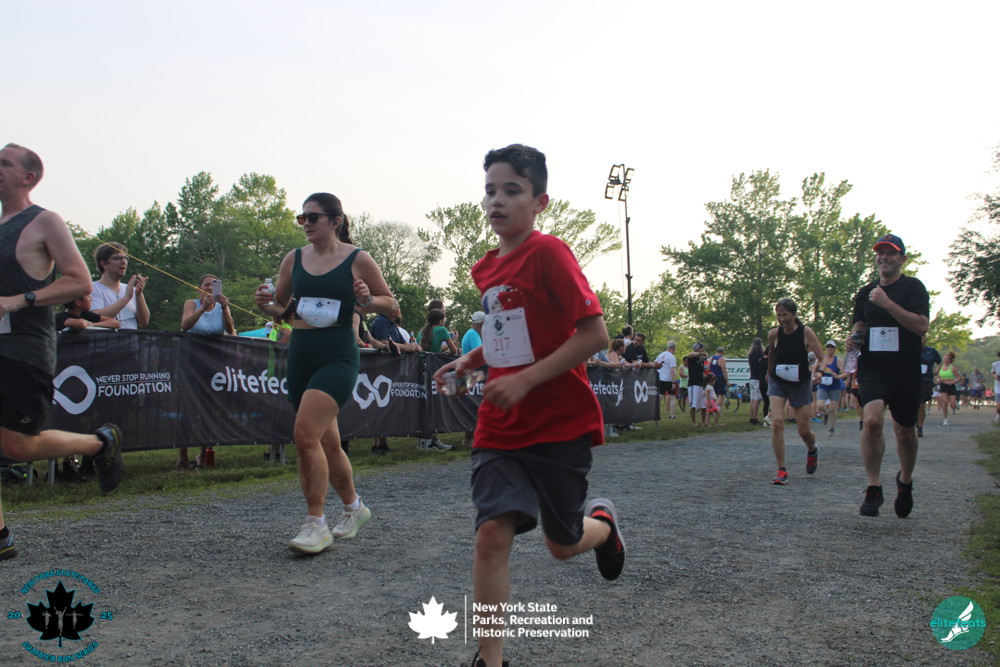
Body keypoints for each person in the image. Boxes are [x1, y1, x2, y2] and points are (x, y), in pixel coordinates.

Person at [432, 144, 624, 667]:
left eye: (511, 190)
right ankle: (490, 660)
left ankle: (604, 527)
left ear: (540, 202)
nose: (497, 200)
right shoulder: (487, 267)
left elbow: (594, 335)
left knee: (562, 545)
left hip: (559, 423)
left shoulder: (550, 254)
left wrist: (525, 381)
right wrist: (471, 360)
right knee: (490, 534)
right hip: (501, 426)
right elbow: (511, 335)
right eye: (490, 190)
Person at [0, 143, 125, 560]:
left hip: (22, 351)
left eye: (4, 163)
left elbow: (80, 282)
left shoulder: (44, 221)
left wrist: (19, 299)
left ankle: (99, 443)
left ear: (29, 177)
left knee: (18, 446)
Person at [254, 192, 394, 554]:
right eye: (302, 218)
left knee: (303, 436)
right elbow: (281, 308)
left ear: (335, 221)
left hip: (337, 355)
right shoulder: (294, 258)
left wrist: (366, 300)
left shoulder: (358, 258)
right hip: (301, 354)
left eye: (312, 217)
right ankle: (354, 508)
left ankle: (315, 524)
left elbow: (392, 306)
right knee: (326, 443)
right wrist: (267, 305)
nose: (306, 224)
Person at [847, 233, 929, 518]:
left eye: (890, 253)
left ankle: (905, 481)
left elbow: (921, 327)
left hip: (904, 369)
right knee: (871, 421)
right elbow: (860, 323)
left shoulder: (913, 288)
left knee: (905, 431)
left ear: (902, 259)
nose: (883, 257)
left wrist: (888, 304)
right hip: (873, 367)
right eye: (880, 253)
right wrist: (854, 338)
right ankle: (873, 486)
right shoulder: (866, 292)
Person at [177, 274, 237, 470]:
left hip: (214, 363)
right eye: (206, 285)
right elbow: (185, 326)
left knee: (209, 409)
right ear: (199, 288)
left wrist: (225, 308)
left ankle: (204, 454)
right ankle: (182, 456)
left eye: (214, 285)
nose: (210, 288)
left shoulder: (222, 307)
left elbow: (230, 329)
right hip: (191, 361)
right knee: (187, 409)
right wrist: (202, 308)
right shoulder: (192, 304)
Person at [766, 298, 823, 485]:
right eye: (779, 315)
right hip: (778, 380)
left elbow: (821, 357)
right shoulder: (774, 334)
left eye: (786, 315)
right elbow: (771, 355)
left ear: (795, 315)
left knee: (804, 430)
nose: (782, 319)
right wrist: (768, 372)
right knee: (777, 422)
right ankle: (781, 469)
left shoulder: (806, 332)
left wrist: (819, 373)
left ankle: (812, 449)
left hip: (800, 382)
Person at [89, 242, 150, 329]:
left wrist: (139, 294)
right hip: (107, 338)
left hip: (131, 338)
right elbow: (94, 317)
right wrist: (126, 298)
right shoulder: (93, 288)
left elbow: (144, 323)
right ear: (104, 264)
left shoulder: (131, 290)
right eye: (117, 258)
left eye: (125, 258)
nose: (123, 262)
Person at [816, 340, 847, 436]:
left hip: (835, 386)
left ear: (835, 349)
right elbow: (814, 370)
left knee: (834, 408)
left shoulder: (838, 360)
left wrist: (837, 376)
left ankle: (832, 428)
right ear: (825, 348)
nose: (829, 348)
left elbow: (845, 373)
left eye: (831, 347)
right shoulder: (821, 359)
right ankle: (825, 413)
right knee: (820, 406)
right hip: (823, 386)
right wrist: (814, 378)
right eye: (828, 347)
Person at [916, 337, 942, 437]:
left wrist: (937, 370)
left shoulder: (931, 351)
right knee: (913, 404)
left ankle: (920, 427)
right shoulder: (910, 349)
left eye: (922, 339)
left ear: (926, 339)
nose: (920, 340)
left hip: (926, 380)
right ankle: (914, 420)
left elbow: (939, 362)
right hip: (912, 380)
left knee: (921, 404)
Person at [56, 294, 120, 331]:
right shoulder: (60, 317)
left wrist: (91, 325)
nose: (91, 299)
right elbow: (80, 324)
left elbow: (115, 323)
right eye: (88, 296)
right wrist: (87, 324)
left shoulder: (85, 314)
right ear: (78, 302)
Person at [654, 340, 678, 419]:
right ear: (674, 348)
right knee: (672, 397)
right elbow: (672, 370)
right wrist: (674, 382)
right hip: (668, 379)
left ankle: (654, 412)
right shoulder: (672, 357)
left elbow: (654, 364)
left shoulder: (661, 355)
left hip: (660, 378)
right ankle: (672, 414)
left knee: (660, 395)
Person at [935, 351, 960, 426]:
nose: (945, 360)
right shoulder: (940, 368)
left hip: (951, 386)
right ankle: (945, 419)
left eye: (947, 358)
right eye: (944, 358)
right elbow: (937, 376)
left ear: (950, 360)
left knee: (953, 406)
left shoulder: (953, 368)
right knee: (945, 402)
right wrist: (938, 379)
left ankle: (955, 404)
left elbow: (959, 378)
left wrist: (952, 382)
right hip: (943, 386)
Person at [686, 342, 708, 426]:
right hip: (693, 383)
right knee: (693, 404)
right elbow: (690, 354)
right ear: (698, 349)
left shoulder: (700, 360)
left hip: (701, 384)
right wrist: (701, 353)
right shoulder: (692, 358)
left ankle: (703, 422)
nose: (703, 350)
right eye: (702, 348)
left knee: (703, 405)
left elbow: (702, 372)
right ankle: (693, 422)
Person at [747, 338, 764, 424]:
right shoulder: (760, 354)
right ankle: (754, 418)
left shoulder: (750, 354)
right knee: (757, 399)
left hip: (752, 378)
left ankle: (751, 417)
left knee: (752, 399)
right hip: (758, 378)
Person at [991, 351, 1000, 426]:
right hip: (998, 388)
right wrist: (995, 376)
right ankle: (998, 414)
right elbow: (993, 372)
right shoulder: (995, 364)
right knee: (998, 407)